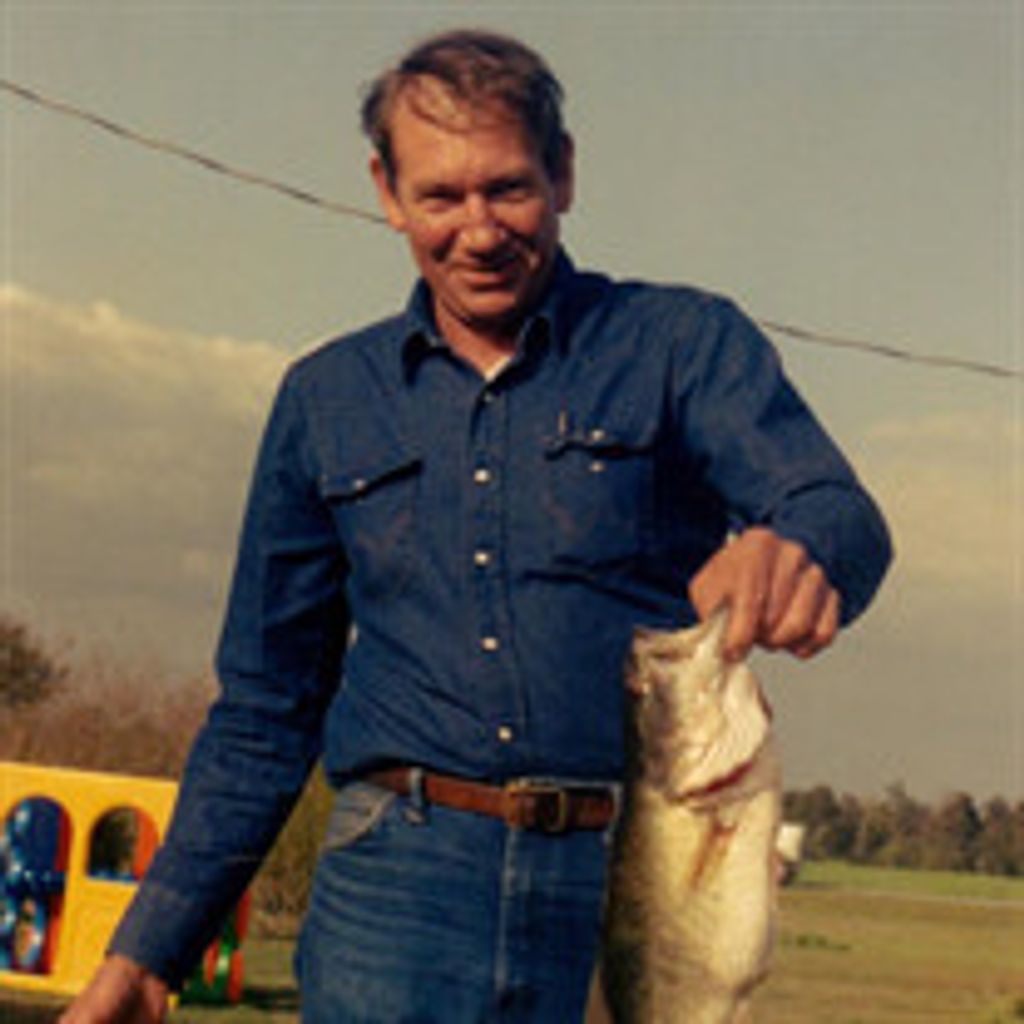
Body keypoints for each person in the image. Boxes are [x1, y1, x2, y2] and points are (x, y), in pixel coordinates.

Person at [60, 28, 891, 1024]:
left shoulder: (682, 343)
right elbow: (265, 705)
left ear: (565, 173)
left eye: (507, 188)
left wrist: (795, 547)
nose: (479, 229)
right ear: (386, 191)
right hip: (394, 890)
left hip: (629, 881)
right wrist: (149, 950)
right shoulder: (326, 398)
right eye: (440, 197)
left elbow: (837, 511)